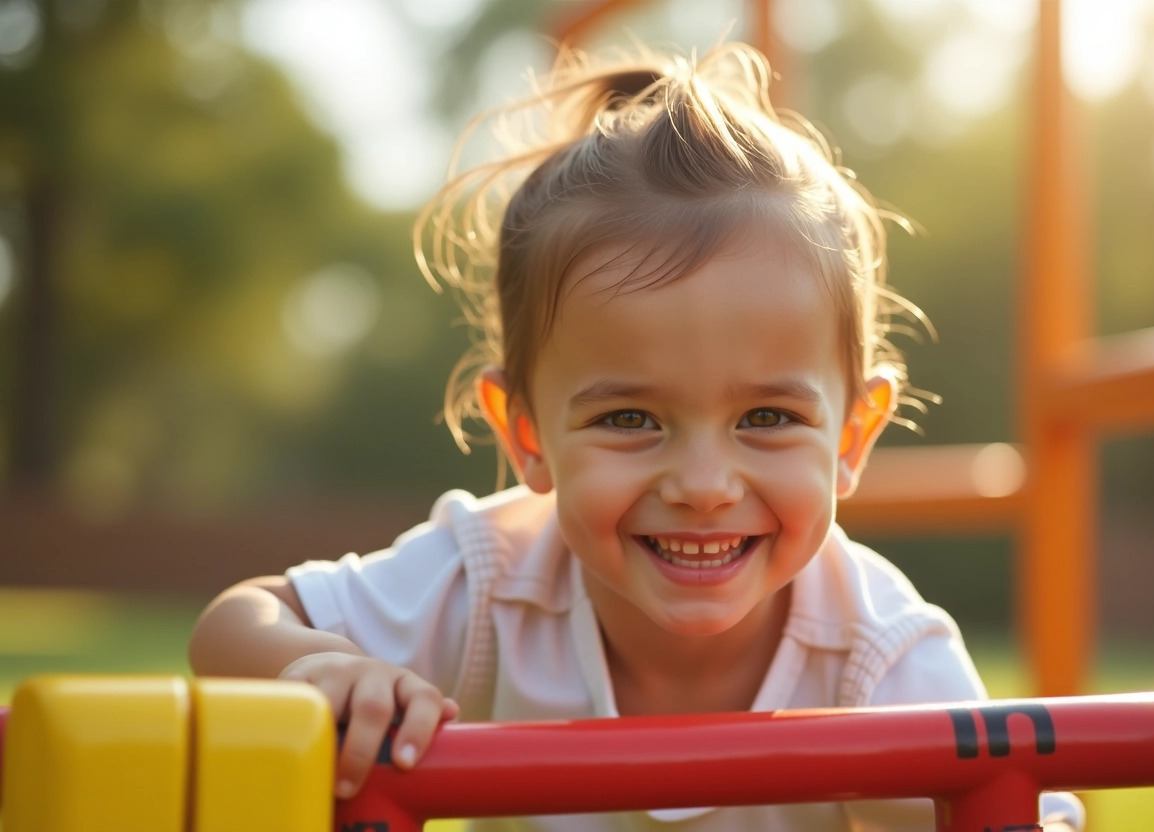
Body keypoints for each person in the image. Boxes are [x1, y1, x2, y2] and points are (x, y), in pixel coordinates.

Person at [189, 40, 1083, 831]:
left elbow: (1009, 803)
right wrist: (317, 665)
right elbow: (236, 625)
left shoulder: (875, 648)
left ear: (853, 435)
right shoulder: (491, 582)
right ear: (527, 434)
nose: (703, 483)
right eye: (630, 419)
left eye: (766, 418)